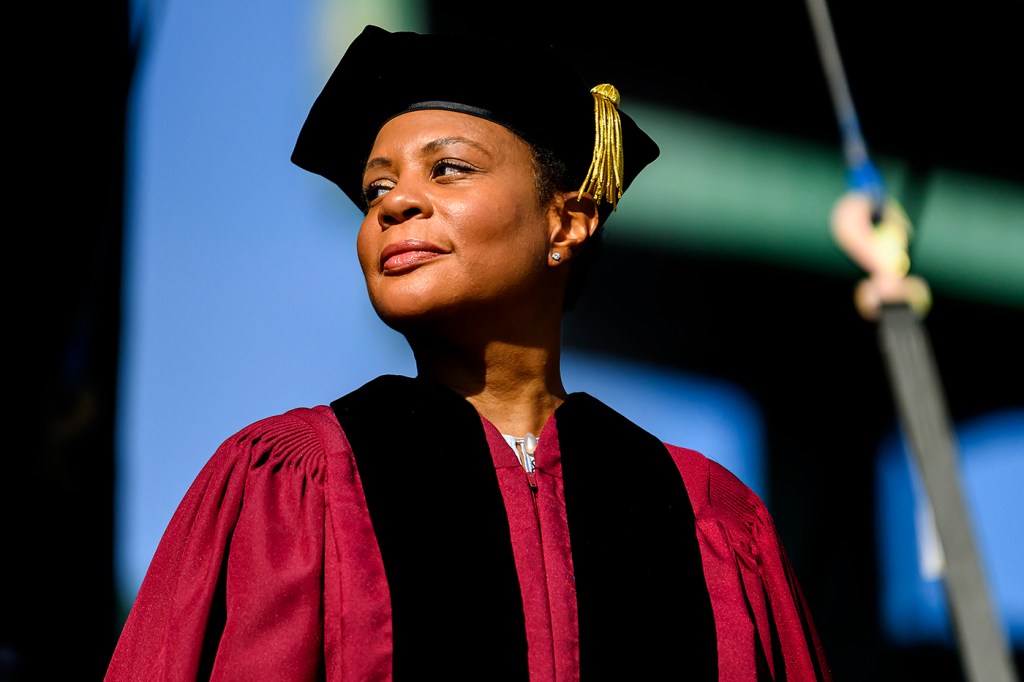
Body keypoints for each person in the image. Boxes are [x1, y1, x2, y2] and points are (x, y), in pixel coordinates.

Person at [105, 24, 832, 681]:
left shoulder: (705, 514)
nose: (394, 203)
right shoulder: (293, 482)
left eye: (447, 169)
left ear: (567, 221)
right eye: (377, 188)